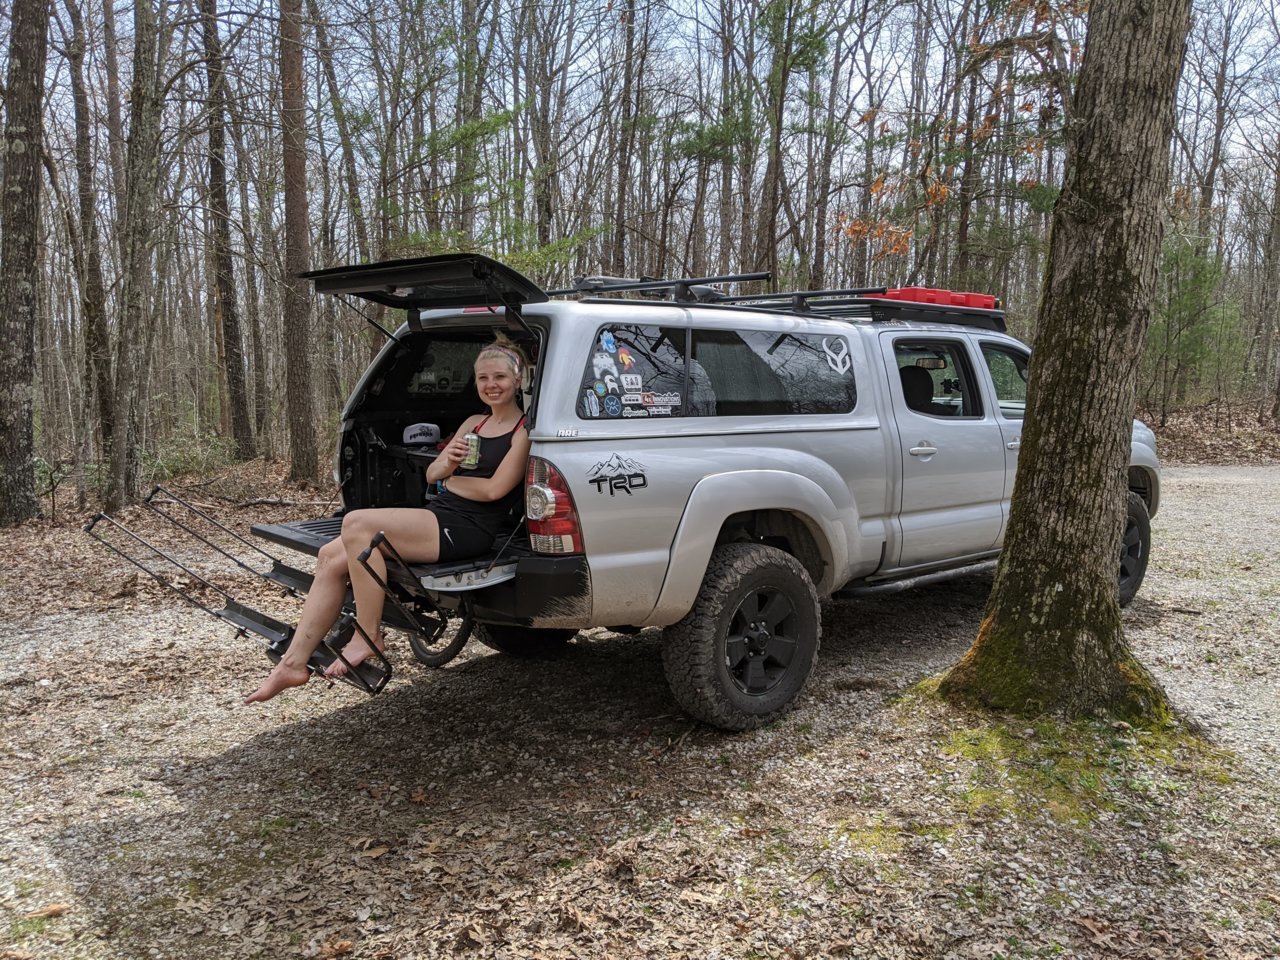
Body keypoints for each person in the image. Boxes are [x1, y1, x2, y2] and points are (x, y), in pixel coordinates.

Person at [244, 335, 532, 704]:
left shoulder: (522, 430)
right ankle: (292, 664)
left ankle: (369, 634)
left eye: (500, 378)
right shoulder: (473, 423)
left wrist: (451, 479)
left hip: (470, 529)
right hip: (441, 515)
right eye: (482, 379)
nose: (491, 385)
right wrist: (449, 463)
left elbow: (494, 491)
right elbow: (432, 476)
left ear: (517, 380)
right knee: (331, 557)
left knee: (358, 525)